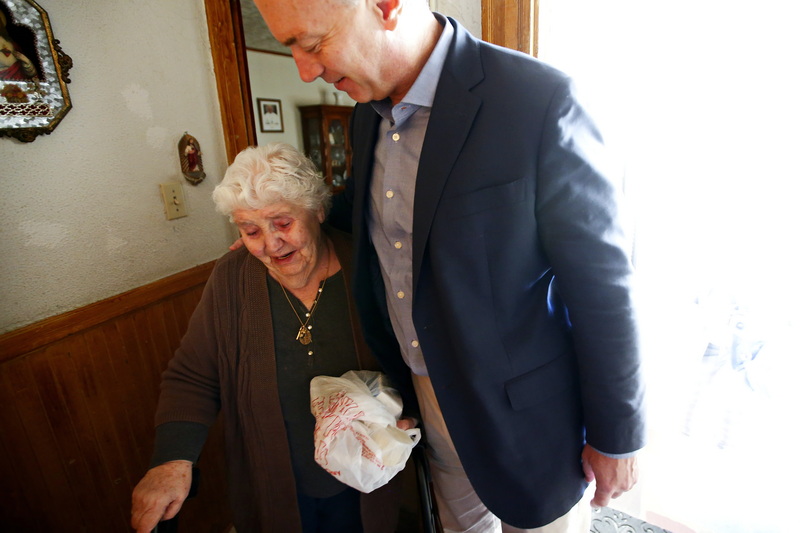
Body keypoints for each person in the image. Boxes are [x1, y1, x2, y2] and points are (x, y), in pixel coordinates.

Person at [252, 0, 647, 532]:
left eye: (313, 42)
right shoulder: (365, 119)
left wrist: (617, 435)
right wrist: (281, 223)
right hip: (424, 393)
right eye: (290, 48)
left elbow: (603, 284)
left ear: (386, 6)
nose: (305, 69)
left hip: (526, 414)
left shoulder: (539, 100)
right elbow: (373, 212)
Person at [131, 142, 408, 533]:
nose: (269, 243)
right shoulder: (232, 278)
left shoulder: (367, 269)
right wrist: (172, 459)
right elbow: (192, 376)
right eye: (250, 229)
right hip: (274, 484)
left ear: (317, 210)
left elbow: (414, 359)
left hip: (366, 477)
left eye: (282, 223)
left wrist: (408, 410)